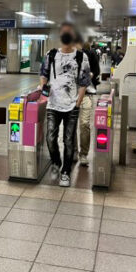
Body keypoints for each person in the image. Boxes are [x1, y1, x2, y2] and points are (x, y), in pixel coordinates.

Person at [39, 23, 91, 187]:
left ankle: (66, 172)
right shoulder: (51, 55)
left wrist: (78, 102)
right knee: (50, 138)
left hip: (71, 106)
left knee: (68, 140)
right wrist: (43, 86)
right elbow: (44, 74)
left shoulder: (82, 57)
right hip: (53, 104)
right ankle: (56, 162)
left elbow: (84, 82)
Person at [77, 40, 101, 166]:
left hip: (87, 93)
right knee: (70, 125)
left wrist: (86, 79)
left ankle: (83, 154)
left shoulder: (90, 54)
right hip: (70, 94)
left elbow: (96, 71)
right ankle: (73, 152)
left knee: (84, 124)